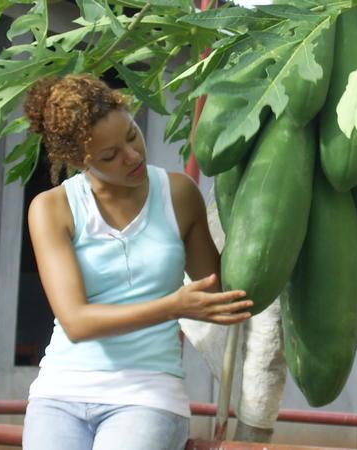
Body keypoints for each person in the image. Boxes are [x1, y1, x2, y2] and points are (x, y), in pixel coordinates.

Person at [21, 73, 253, 450]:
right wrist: (173, 306)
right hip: (60, 391)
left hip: (148, 393)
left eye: (132, 135)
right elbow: (77, 322)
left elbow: (220, 291)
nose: (132, 156)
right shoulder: (52, 208)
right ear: (81, 160)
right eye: (110, 155)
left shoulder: (178, 193)